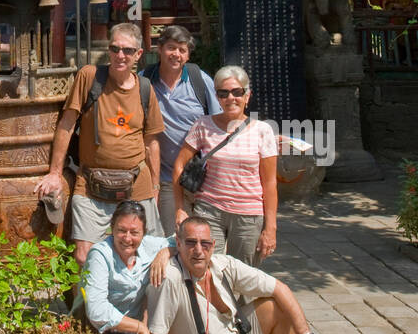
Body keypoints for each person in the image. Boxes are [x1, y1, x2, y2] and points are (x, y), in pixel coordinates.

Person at [147, 215, 337, 334]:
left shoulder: (223, 264)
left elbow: (280, 288)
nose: (198, 250)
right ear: (178, 244)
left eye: (205, 244)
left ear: (213, 245)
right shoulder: (170, 277)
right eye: (191, 243)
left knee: (277, 304)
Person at [35, 22, 165, 266]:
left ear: (138, 54)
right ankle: (90, 305)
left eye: (127, 50)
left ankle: (133, 304)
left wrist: (156, 187)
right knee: (85, 256)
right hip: (91, 182)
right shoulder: (90, 77)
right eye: (115, 48)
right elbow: (67, 124)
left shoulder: (145, 89)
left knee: (146, 256)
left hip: (136, 182)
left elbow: (151, 143)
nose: (120, 55)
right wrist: (54, 172)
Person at [172, 65, 278, 265]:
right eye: (224, 93)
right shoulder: (203, 125)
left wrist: (270, 228)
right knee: (206, 267)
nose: (231, 98)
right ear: (217, 97)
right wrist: (179, 208)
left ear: (247, 95)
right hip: (209, 210)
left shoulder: (263, 130)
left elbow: (270, 182)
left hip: (248, 214)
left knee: (244, 275)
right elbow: (179, 165)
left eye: (237, 92)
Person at [141, 25, 220, 236]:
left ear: (188, 55)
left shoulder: (199, 80)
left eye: (182, 50)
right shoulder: (144, 81)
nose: (176, 54)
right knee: (172, 238)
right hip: (166, 179)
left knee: (204, 240)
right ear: (160, 49)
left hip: (202, 176)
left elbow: (220, 121)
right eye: (171, 48)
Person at [82, 200, 174, 334]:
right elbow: (97, 310)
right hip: (103, 333)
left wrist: (166, 252)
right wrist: (139, 327)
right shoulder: (99, 254)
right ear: (111, 228)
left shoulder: (149, 246)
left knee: (173, 273)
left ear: (144, 232)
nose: (127, 238)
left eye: (134, 232)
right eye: (121, 231)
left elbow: (180, 241)